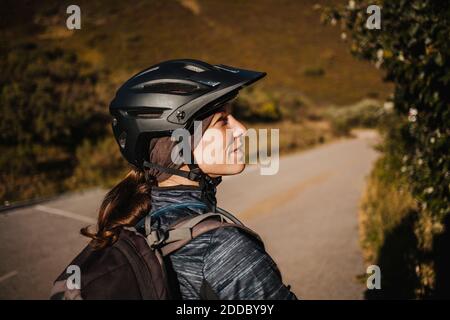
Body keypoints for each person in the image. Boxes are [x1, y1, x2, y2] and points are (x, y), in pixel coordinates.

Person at [82, 59, 297, 300]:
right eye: (223, 121)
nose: (242, 130)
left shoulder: (132, 224)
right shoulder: (223, 248)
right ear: (179, 144)